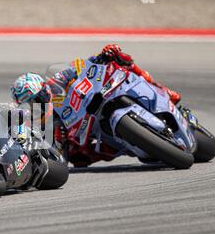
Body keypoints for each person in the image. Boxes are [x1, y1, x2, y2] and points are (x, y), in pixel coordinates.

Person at [10, 44, 182, 167]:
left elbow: (83, 66)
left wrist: (101, 57)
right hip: (88, 129)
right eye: (29, 104)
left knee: (120, 60)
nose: (35, 105)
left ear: (42, 88)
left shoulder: (58, 79)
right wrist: (57, 145)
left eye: (35, 99)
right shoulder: (44, 121)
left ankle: (163, 90)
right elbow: (58, 150)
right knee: (80, 159)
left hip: (96, 96)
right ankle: (132, 145)